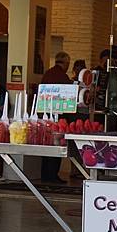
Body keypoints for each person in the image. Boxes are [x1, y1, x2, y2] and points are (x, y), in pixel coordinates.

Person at [40, 51, 73, 184]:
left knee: (46, 144)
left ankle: (45, 174)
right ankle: (53, 175)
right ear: (65, 63)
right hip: (58, 117)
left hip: (45, 115)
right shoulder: (62, 76)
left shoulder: (48, 73)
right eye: (68, 63)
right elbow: (69, 97)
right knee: (56, 144)